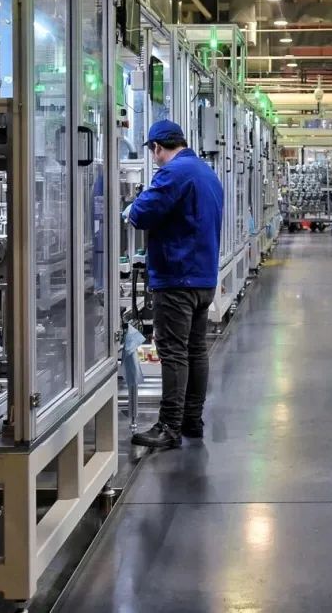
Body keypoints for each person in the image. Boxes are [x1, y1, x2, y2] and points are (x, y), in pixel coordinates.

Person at [126, 119, 224, 450]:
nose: (154, 158)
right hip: (203, 278)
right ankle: (191, 420)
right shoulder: (207, 173)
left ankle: (169, 426)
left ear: (157, 147)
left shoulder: (172, 173)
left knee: (173, 351)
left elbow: (141, 214)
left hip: (176, 277)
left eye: (153, 152)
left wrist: (131, 208)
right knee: (196, 349)